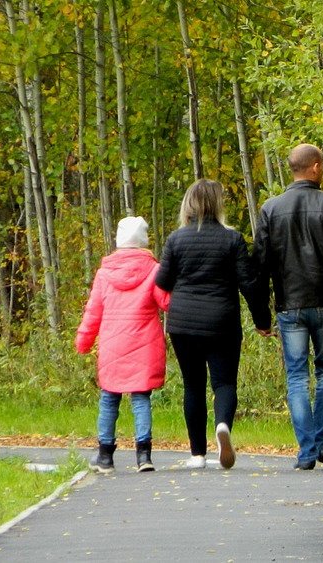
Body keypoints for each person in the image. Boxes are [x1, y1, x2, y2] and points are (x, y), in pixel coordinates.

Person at [254, 144, 323, 470]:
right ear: (315, 167)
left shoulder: (271, 210)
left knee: (297, 376)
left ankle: (306, 452)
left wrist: (263, 313)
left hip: (290, 305)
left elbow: (259, 266)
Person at [156, 179, 270, 470]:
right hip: (222, 321)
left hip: (183, 324)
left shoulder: (176, 239)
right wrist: (262, 321)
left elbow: (163, 281)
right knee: (224, 382)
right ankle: (223, 426)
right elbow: (249, 284)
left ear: (189, 204)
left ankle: (197, 454)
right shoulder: (232, 240)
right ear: (218, 205)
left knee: (193, 385)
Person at [76, 216, 170, 474]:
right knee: (141, 399)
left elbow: (93, 313)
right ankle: (144, 455)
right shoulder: (154, 271)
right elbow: (166, 302)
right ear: (144, 243)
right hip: (144, 345)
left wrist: (83, 341)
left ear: (118, 243)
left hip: (112, 346)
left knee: (109, 399)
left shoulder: (105, 274)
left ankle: (105, 456)